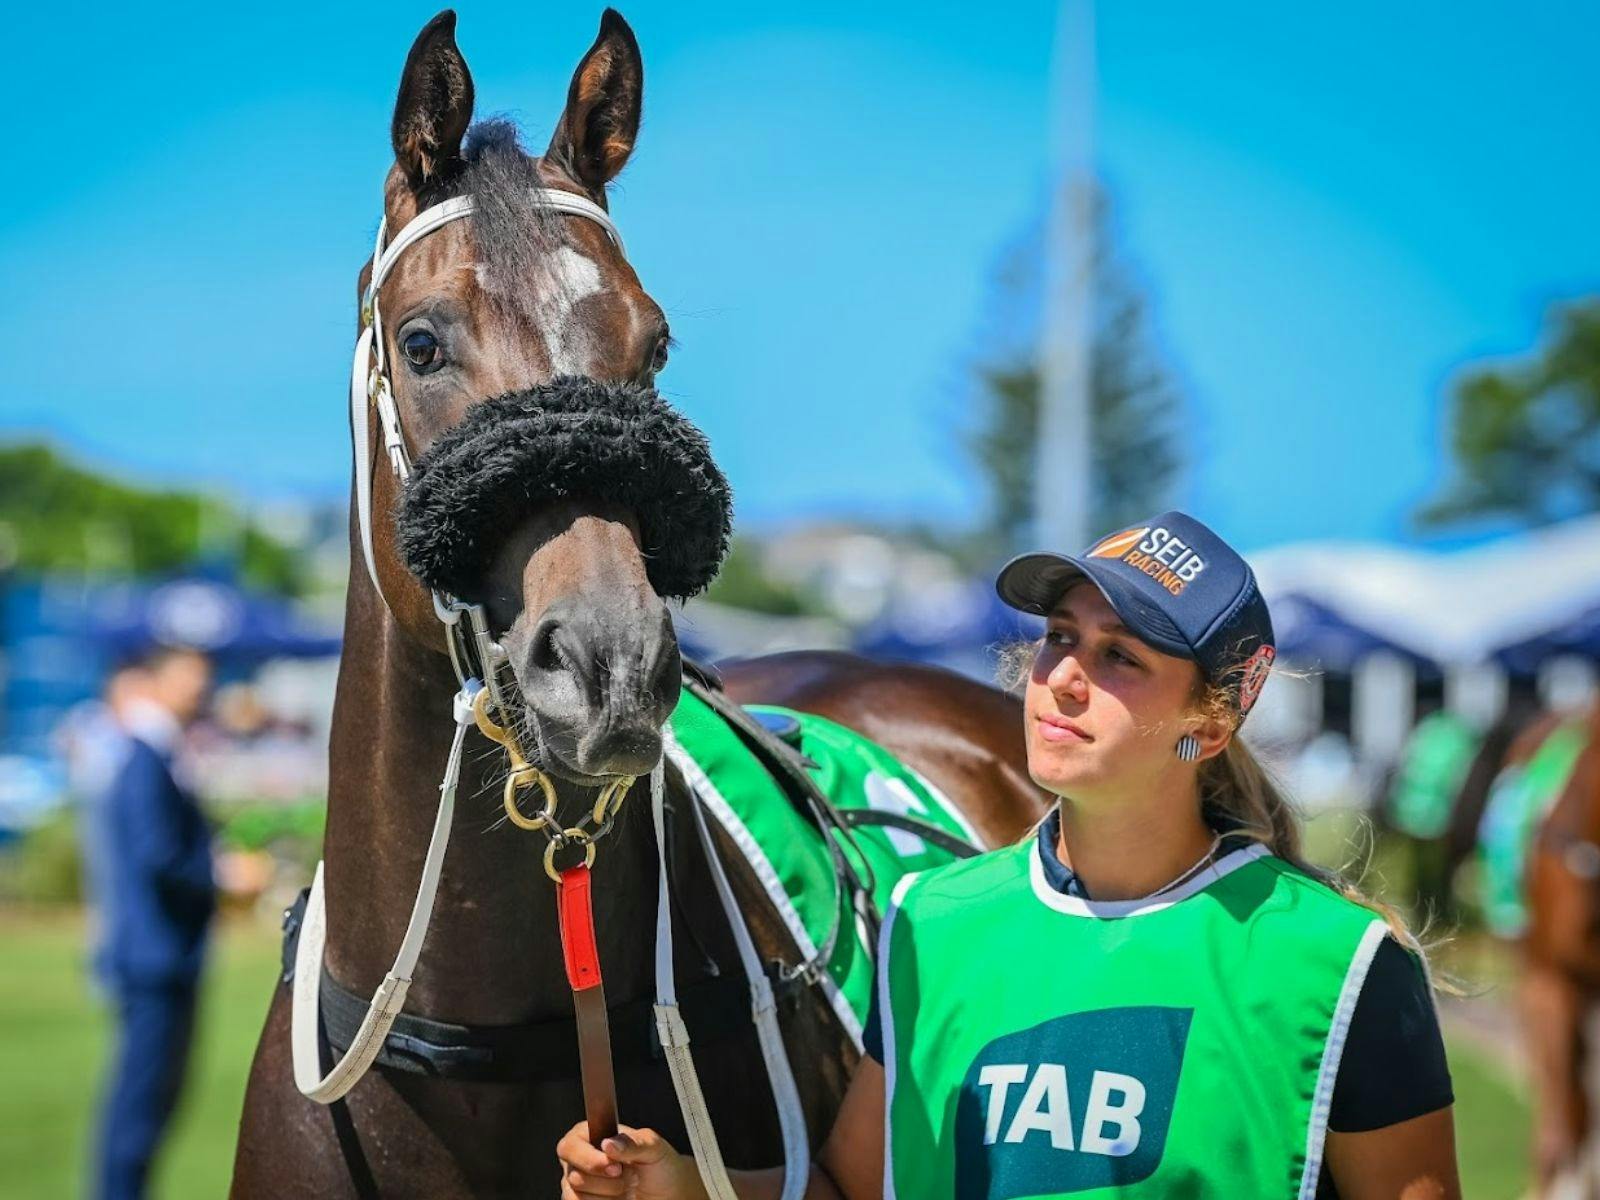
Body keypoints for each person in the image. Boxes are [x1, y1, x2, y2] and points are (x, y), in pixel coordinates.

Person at [555, 512, 1460, 1199]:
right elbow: (859, 1189)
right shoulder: (931, 922)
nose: (1063, 676)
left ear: (1211, 721)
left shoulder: (1338, 966)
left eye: (1121, 657)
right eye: (1061, 637)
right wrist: (686, 1188)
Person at [91, 644, 216, 1200]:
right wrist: (223, 874)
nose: (201, 691)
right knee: (138, 1110)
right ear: (158, 683)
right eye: (191, 680)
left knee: (154, 1104)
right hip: (154, 959)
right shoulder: (146, 759)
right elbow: (157, 856)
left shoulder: (158, 757)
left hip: (163, 957)